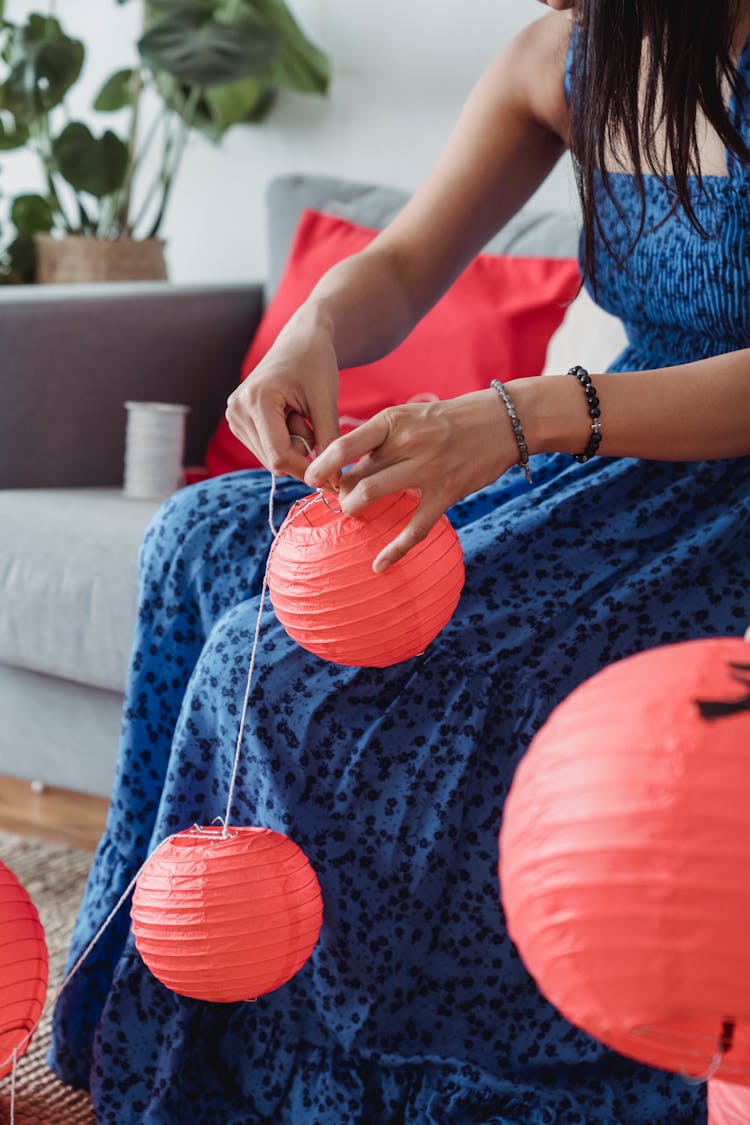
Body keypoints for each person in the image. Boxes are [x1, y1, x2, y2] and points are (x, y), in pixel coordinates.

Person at [51, 0, 749, 1121]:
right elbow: (409, 258)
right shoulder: (565, 57)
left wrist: (520, 417)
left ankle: (346, 1070)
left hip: (709, 488)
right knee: (201, 545)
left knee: (281, 663)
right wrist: (312, 330)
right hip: (591, 448)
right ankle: (160, 993)